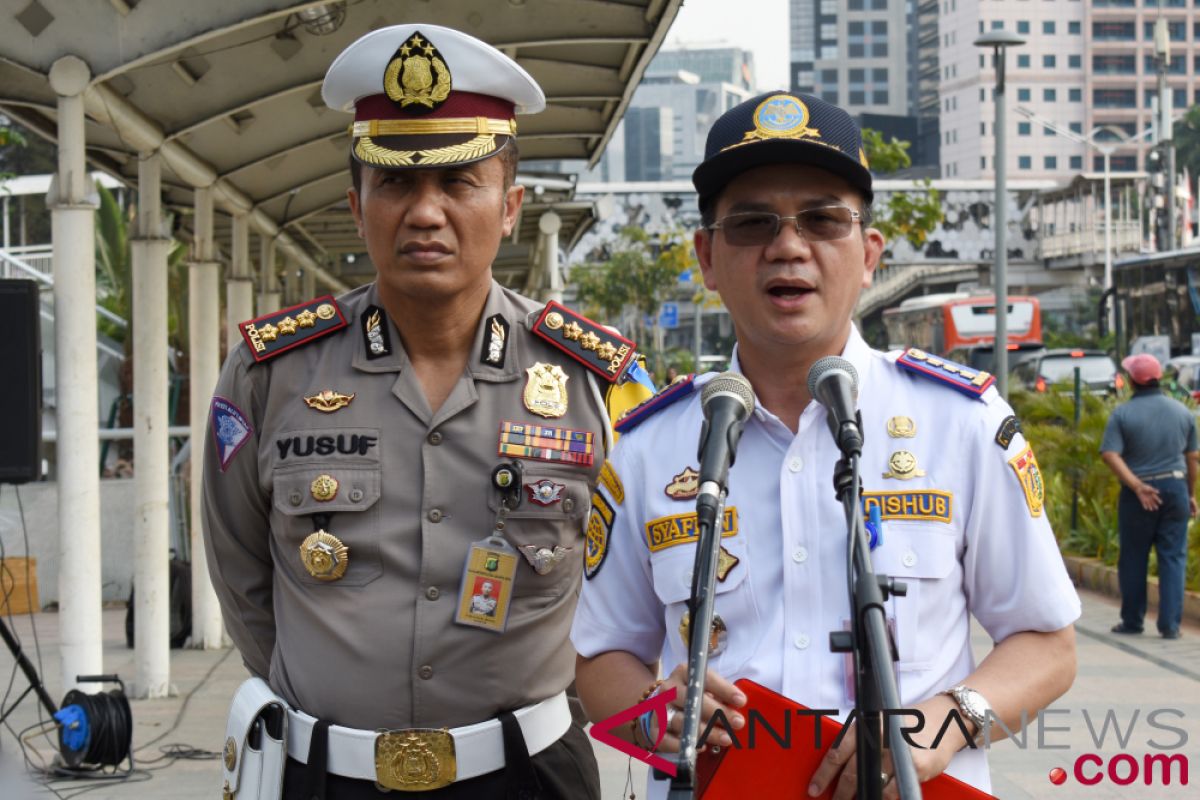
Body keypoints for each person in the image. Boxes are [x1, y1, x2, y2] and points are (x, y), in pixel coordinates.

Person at [571, 91, 1081, 799]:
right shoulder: (650, 448)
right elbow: (597, 658)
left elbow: (1047, 645)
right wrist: (660, 716)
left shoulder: (959, 422)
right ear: (708, 259)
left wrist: (939, 726)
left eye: (823, 220)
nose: (788, 246)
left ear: (868, 254)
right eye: (752, 223)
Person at [203, 24, 650, 800]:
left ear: (509, 206)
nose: (426, 212)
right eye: (397, 185)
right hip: (326, 778)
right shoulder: (270, 373)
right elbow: (242, 574)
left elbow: (644, 574)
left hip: (531, 778)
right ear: (357, 204)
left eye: (458, 183)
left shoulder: (596, 382)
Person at [1100, 353, 1198, 640]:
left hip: (1139, 495)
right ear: (1159, 379)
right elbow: (1192, 457)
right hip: (1176, 489)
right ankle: (1170, 626)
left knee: (1133, 557)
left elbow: (1109, 454)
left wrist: (1136, 485)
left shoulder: (1123, 414)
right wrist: (1190, 495)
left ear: (1132, 381)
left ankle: (1132, 621)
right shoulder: (1182, 411)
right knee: (1173, 558)